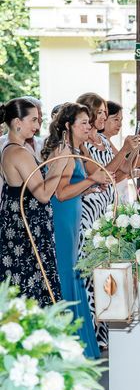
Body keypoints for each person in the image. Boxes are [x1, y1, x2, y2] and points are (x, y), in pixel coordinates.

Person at [76, 92, 140, 349]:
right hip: (90, 211)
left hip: (107, 210)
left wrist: (133, 149)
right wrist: (125, 149)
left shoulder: (104, 140)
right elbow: (102, 173)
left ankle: (106, 333)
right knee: (93, 272)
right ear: (91, 114)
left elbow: (123, 172)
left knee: (107, 269)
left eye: (106, 112)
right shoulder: (84, 144)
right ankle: (92, 334)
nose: (105, 116)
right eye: (101, 112)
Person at [44, 103, 111, 358]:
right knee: (66, 276)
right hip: (62, 219)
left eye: (88, 122)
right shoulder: (63, 151)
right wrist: (92, 180)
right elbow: (59, 194)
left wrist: (88, 188)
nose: (89, 127)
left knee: (74, 275)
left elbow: (73, 188)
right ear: (69, 126)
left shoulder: (74, 149)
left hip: (73, 216)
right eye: (83, 122)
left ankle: (81, 344)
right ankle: (70, 346)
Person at [0, 98, 66, 306]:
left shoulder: (14, 149)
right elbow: (44, 194)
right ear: (18, 122)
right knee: (32, 287)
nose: (38, 126)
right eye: (34, 120)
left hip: (24, 227)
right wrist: (61, 162)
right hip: (26, 232)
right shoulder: (17, 152)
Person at [101, 100, 140, 203]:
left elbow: (126, 168)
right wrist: (138, 162)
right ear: (103, 119)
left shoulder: (107, 142)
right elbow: (117, 175)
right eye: (115, 119)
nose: (120, 124)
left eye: (121, 120)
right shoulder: (100, 142)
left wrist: (137, 146)